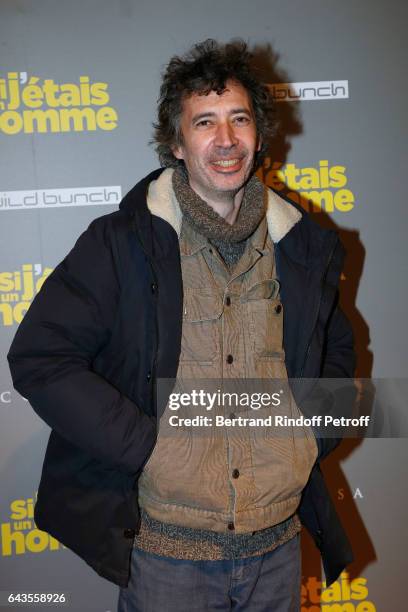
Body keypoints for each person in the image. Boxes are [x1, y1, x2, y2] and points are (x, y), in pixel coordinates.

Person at [8, 39, 355, 611]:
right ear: (176, 142)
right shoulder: (121, 243)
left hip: (278, 551)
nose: (225, 140)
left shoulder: (303, 246)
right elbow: (41, 357)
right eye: (205, 122)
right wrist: (146, 446)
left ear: (258, 134)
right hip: (166, 559)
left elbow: (338, 349)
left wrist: (310, 437)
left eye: (239, 119)